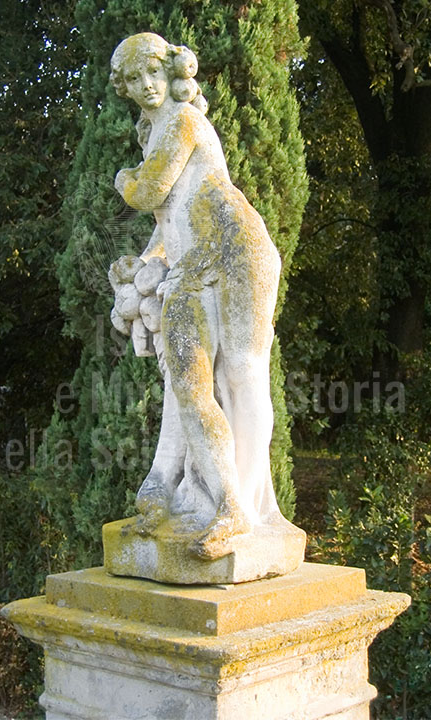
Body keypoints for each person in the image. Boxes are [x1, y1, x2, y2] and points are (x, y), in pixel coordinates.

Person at [110, 33, 283, 560]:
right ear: (125, 89)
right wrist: (142, 266)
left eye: (152, 74)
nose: (146, 86)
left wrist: (124, 178)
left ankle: (248, 506)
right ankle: (205, 496)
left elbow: (149, 192)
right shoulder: (155, 129)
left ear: (170, 73)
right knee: (188, 380)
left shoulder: (182, 121)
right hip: (192, 264)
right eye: (135, 81)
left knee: (243, 372)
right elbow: (169, 220)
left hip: (236, 247)